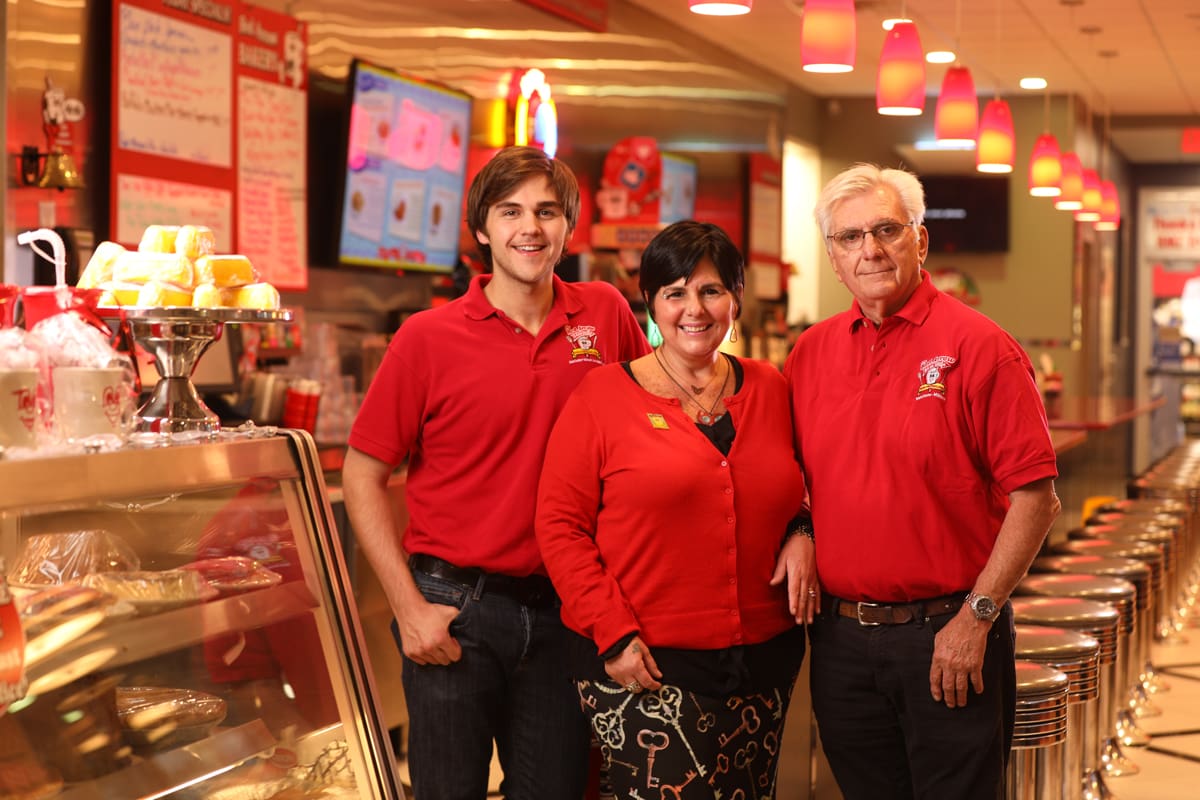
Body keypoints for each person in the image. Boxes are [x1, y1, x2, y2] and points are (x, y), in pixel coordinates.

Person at [342, 145, 650, 800]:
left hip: (569, 615)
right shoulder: (427, 338)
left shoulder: (605, 314)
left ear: (568, 226)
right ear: (482, 230)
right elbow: (360, 474)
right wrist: (409, 609)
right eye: (510, 212)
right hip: (456, 614)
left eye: (546, 211)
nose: (529, 228)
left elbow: (659, 428)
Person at [784, 163, 1061, 799]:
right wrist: (800, 528)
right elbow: (788, 478)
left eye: (886, 229)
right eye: (850, 237)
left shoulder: (981, 348)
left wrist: (978, 616)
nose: (870, 249)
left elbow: (1036, 498)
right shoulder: (810, 354)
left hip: (950, 635)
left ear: (921, 240)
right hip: (842, 640)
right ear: (833, 256)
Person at [536, 220, 817, 799]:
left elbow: (807, 484)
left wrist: (803, 530)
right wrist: (611, 634)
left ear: (736, 298)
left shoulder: (770, 388)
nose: (696, 308)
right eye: (676, 292)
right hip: (644, 665)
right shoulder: (603, 397)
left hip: (762, 660)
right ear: (651, 303)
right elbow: (560, 527)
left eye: (712, 290)